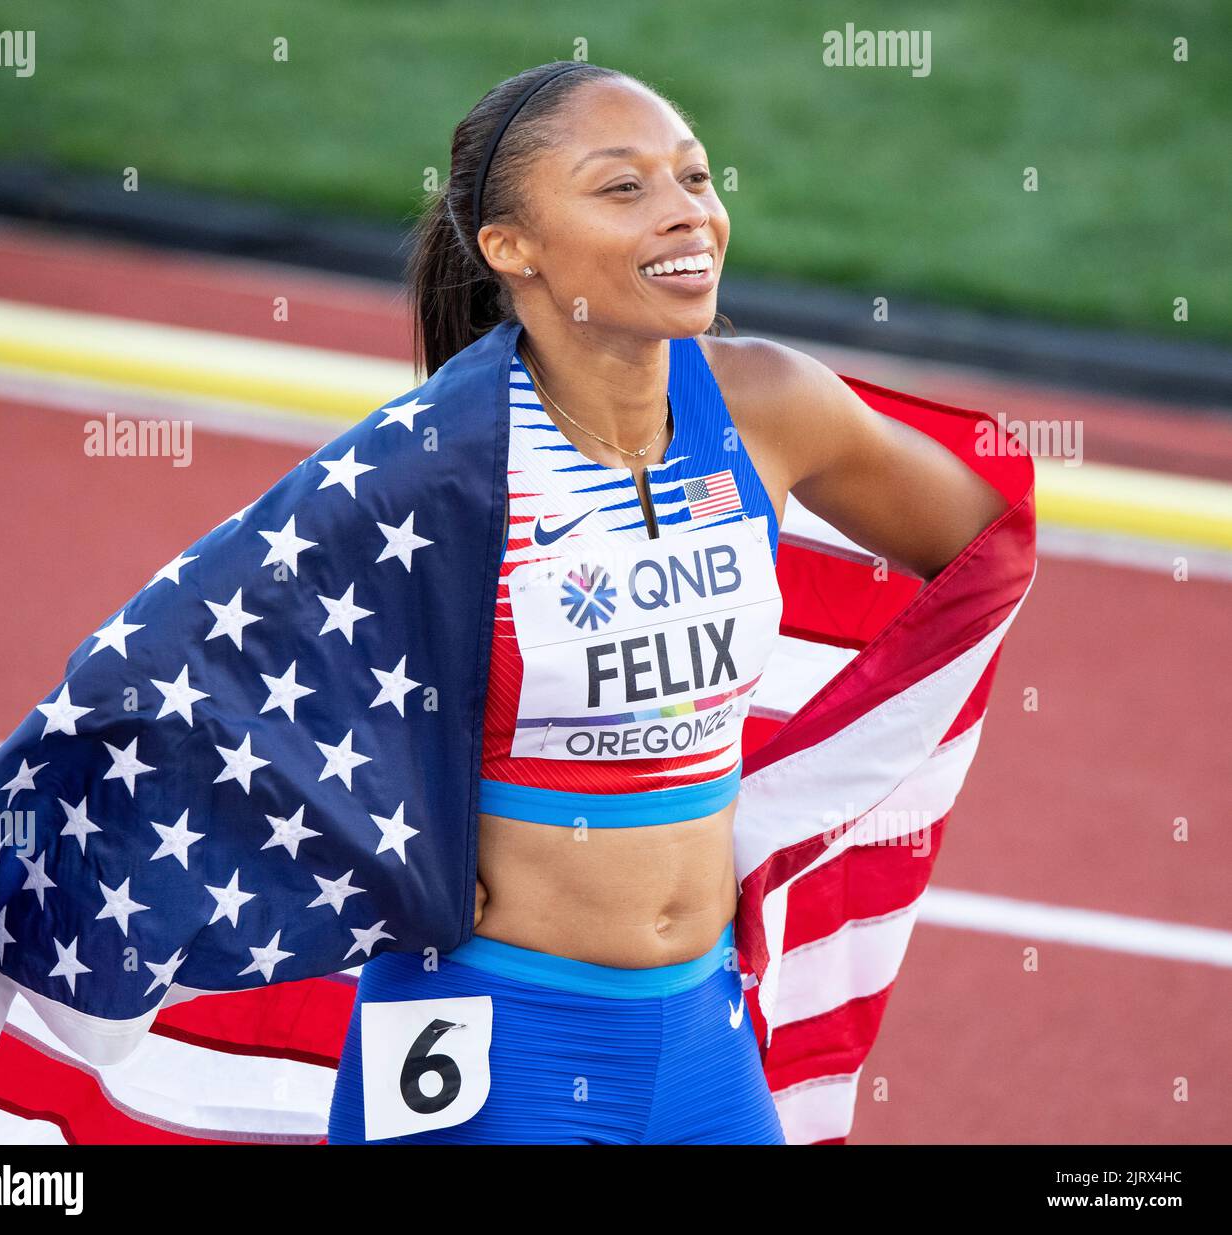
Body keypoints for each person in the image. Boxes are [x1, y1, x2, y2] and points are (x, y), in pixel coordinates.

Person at [326, 60, 1007, 1145]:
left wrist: (822, 762)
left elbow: (984, 539)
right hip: (494, 1036)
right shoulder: (431, 471)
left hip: (702, 1034)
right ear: (512, 248)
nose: (686, 209)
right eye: (623, 188)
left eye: (692, 177)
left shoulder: (769, 405)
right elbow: (243, 692)